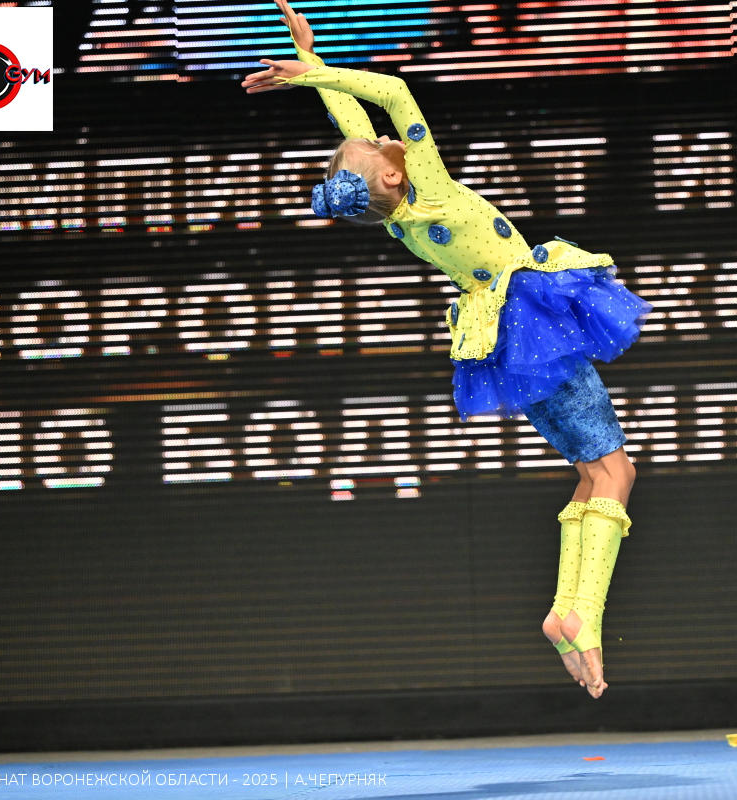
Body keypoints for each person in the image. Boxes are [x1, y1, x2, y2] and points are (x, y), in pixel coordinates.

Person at [243, 0, 652, 699]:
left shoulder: (396, 212)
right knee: (616, 473)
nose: (380, 139)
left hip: (505, 337)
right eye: (376, 149)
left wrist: (311, 63)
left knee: (594, 474)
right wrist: (311, 75)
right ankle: (584, 614)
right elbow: (395, 94)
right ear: (392, 176)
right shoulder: (427, 187)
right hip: (533, 324)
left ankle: (566, 611)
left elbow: (355, 124)